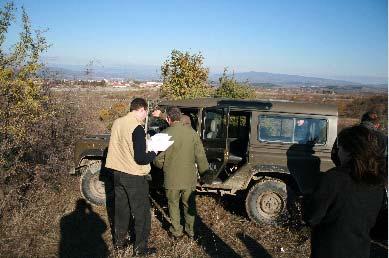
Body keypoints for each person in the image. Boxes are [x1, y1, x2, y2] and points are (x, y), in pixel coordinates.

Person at [304, 125, 387, 258]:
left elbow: (312, 217)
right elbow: (379, 229)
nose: (338, 152)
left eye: (340, 148)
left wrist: (307, 200)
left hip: (329, 251)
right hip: (360, 252)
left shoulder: (333, 178)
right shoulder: (378, 183)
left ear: (348, 151)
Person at [105, 98, 157, 256]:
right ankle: (140, 249)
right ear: (142, 109)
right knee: (142, 214)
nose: (145, 117)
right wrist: (155, 152)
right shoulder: (137, 128)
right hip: (134, 176)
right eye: (145, 113)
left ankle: (119, 243)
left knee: (122, 210)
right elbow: (141, 158)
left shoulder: (117, 122)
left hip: (117, 174)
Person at [153, 107, 209, 239]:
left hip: (171, 178)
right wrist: (204, 174)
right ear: (179, 117)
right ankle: (190, 231)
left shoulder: (164, 134)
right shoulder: (192, 133)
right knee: (189, 205)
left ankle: (176, 231)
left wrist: (164, 166)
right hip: (189, 177)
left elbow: (157, 159)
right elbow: (200, 156)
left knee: (173, 204)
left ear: (168, 119)